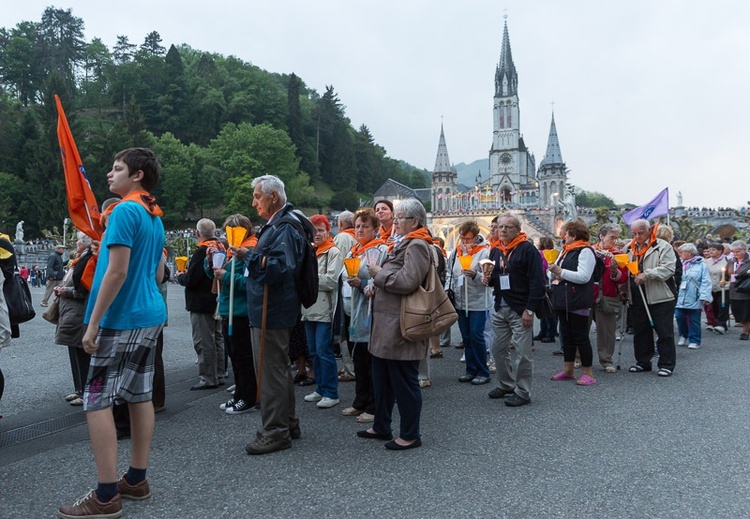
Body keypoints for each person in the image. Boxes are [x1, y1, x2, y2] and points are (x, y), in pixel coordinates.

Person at [58, 147, 167, 518]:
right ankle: (136, 478)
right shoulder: (153, 214)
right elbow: (157, 273)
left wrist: (93, 323)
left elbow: (116, 272)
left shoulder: (123, 211)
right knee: (139, 395)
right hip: (150, 312)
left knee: (96, 400)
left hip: (122, 317)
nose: (109, 174)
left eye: (117, 168)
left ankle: (106, 495)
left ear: (136, 175)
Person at [233, 174, 308, 455]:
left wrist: (248, 257)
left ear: (273, 196)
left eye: (257, 196)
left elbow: (278, 268)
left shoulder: (284, 227)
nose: (254, 203)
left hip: (271, 309)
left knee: (271, 371)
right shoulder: (281, 224)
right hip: (272, 308)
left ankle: (275, 431)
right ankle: (287, 423)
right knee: (278, 369)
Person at [357, 198, 432, 450]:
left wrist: (379, 274)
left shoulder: (418, 244)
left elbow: (409, 281)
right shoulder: (400, 242)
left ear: (415, 221)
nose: (395, 221)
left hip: (400, 324)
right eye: (396, 216)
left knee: (404, 381)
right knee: (382, 379)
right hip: (385, 322)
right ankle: (381, 425)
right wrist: (374, 284)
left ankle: (411, 434)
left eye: (401, 217)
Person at [483, 214, 545, 406]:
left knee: (522, 352)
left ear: (518, 230)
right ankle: (506, 384)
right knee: (498, 349)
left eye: (508, 227)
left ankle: (523, 391)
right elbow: (497, 277)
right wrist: (488, 279)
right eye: (500, 227)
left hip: (520, 308)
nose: (502, 230)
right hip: (500, 305)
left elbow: (538, 282)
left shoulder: (527, 250)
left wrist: (530, 309)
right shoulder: (496, 251)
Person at [207, 214, 258, 415]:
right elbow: (214, 275)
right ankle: (239, 394)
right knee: (234, 356)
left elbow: (250, 283)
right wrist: (210, 261)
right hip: (228, 310)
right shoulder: (230, 251)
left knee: (243, 357)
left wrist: (226, 276)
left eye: (233, 230)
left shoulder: (250, 250)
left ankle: (248, 397)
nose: (229, 235)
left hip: (241, 311)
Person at [341, 208, 387, 423]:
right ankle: (360, 401)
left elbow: (387, 280)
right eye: (357, 225)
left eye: (365, 226)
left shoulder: (382, 250)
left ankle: (374, 405)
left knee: (371, 362)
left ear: (376, 229)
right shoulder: (353, 251)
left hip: (372, 312)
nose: (360, 229)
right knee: (358, 358)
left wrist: (364, 284)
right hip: (354, 311)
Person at [623, 219, 677, 377]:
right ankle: (643, 361)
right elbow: (626, 271)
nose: (637, 236)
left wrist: (647, 274)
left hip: (660, 295)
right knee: (640, 330)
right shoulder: (629, 248)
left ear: (649, 231)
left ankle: (666, 364)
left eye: (641, 233)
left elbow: (668, 268)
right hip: (637, 294)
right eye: (634, 233)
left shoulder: (662, 246)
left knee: (664, 330)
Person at [548, 220, 598, 385]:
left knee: (581, 336)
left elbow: (584, 276)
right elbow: (559, 274)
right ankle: (568, 370)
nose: (563, 235)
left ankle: (588, 372)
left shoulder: (585, 251)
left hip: (578, 300)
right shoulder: (565, 250)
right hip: (564, 299)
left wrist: (560, 271)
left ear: (574, 235)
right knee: (567, 337)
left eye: (566, 232)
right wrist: (553, 273)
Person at [301, 215, 343, 409]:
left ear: (328, 231)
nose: (317, 234)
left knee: (324, 352)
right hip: (308, 309)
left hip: (325, 310)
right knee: (314, 352)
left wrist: (308, 279)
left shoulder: (333, 251)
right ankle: (321, 388)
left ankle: (331, 392)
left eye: (320, 230)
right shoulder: (310, 251)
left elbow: (332, 280)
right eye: (313, 230)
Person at [177, 219, 224, 390]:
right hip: (215, 299)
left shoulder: (201, 251)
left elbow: (193, 279)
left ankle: (208, 377)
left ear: (197, 233)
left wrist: (180, 276)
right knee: (217, 337)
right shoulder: (220, 247)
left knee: (204, 341)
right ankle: (219, 372)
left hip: (201, 301)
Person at [447, 221, 492, 385]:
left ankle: (483, 371)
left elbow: (487, 279)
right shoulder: (455, 253)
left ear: (476, 237)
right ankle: (470, 369)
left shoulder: (484, 252)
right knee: (466, 337)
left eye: (468, 239)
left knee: (476, 335)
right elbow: (449, 273)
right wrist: (448, 289)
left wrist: (475, 275)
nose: (465, 242)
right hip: (461, 299)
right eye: (463, 238)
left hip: (478, 300)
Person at [54, 232, 95, 406]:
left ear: (86, 244)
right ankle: (79, 388)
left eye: (78, 240)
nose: (76, 242)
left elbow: (83, 290)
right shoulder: (79, 260)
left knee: (81, 352)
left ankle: (85, 391)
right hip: (70, 311)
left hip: (78, 311)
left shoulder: (88, 261)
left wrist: (65, 291)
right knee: (74, 351)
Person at [592, 223, 628, 372]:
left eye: (616, 238)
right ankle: (578, 358)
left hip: (608, 295)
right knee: (580, 329)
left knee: (607, 331)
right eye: (612, 237)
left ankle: (606, 360)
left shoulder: (618, 255)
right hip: (588, 295)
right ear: (601, 236)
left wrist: (614, 271)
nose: (614, 241)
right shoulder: (589, 251)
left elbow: (622, 278)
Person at [333, 211, 357, 382]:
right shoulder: (357, 237)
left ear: (340, 224)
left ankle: (350, 369)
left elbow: (338, 264)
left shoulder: (342, 238)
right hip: (353, 289)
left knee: (344, 329)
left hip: (345, 287)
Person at [674, 243, 712, 349]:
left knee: (694, 319)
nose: (680, 254)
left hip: (694, 294)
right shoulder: (679, 263)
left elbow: (706, 281)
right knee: (679, 316)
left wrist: (705, 296)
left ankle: (694, 339)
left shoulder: (701, 264)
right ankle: (683, 334)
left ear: (689, 253)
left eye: (682, 252)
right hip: (680, 294)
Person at [535, 236, 559, 345]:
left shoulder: (541, 254)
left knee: (544, 308)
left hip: (544, 283)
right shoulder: (555, 253)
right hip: (552, 283)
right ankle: (550, 332)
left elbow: (540, 268)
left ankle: (545, 332)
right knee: (550, 309)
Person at [726, 241, 750, 341]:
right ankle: (746, 325)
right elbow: (727, 274)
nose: (736, 254)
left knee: (746, 312)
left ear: (745, 250)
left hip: (746, 289)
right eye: (733, 251)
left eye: (738, 251)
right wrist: (724, 280)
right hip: (734, 289)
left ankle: (745, 330)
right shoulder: (731, 261)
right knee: (736, 310)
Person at [705, 242, 729, 334]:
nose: (710, 251)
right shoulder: (707, 262)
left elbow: (731, 275)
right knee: (714, 306)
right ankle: (716, 323)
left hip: (723, 288)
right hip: (711, 288)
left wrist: (726, 282)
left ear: (720, 251)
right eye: (710, 249)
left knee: (723, 306)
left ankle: (722, 324)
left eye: (713, 250)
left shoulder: (727, 260)